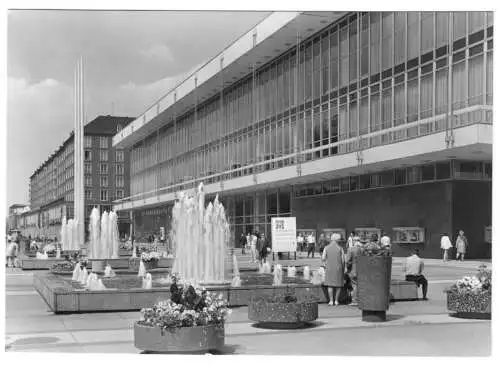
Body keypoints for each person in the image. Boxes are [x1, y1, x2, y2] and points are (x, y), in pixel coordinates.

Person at [322, 233, 345, 306]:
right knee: (338, 285)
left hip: (329, 268)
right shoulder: (340, 248)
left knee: (330, 285)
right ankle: (337, 301)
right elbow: (343, 260)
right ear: (337, 240)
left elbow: (323, 258)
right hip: (338, 268)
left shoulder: (326, 247)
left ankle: (331, 301)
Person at [345, 236, 361, 306]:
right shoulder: (363, 249)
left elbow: (347, 261)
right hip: (363, 270)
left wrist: (347, 268)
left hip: (353, 270)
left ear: (354, 241)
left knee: (354, 285)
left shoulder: (351, 249)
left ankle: (355, 301)